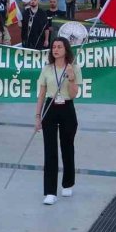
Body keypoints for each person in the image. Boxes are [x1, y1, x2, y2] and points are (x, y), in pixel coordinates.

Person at [35, 37, 82, 205]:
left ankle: (68, 183)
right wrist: (37, 116)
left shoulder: (74, 68)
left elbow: (74, 94)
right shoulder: (47, 69)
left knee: (67, 147)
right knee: (50, 150)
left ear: (66, 50)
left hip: (67, 108)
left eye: (59, 47)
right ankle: (50, 192)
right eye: (54, 47)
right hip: (50, 108)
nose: (55, 49)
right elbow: (41, 94)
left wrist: (70, 78)